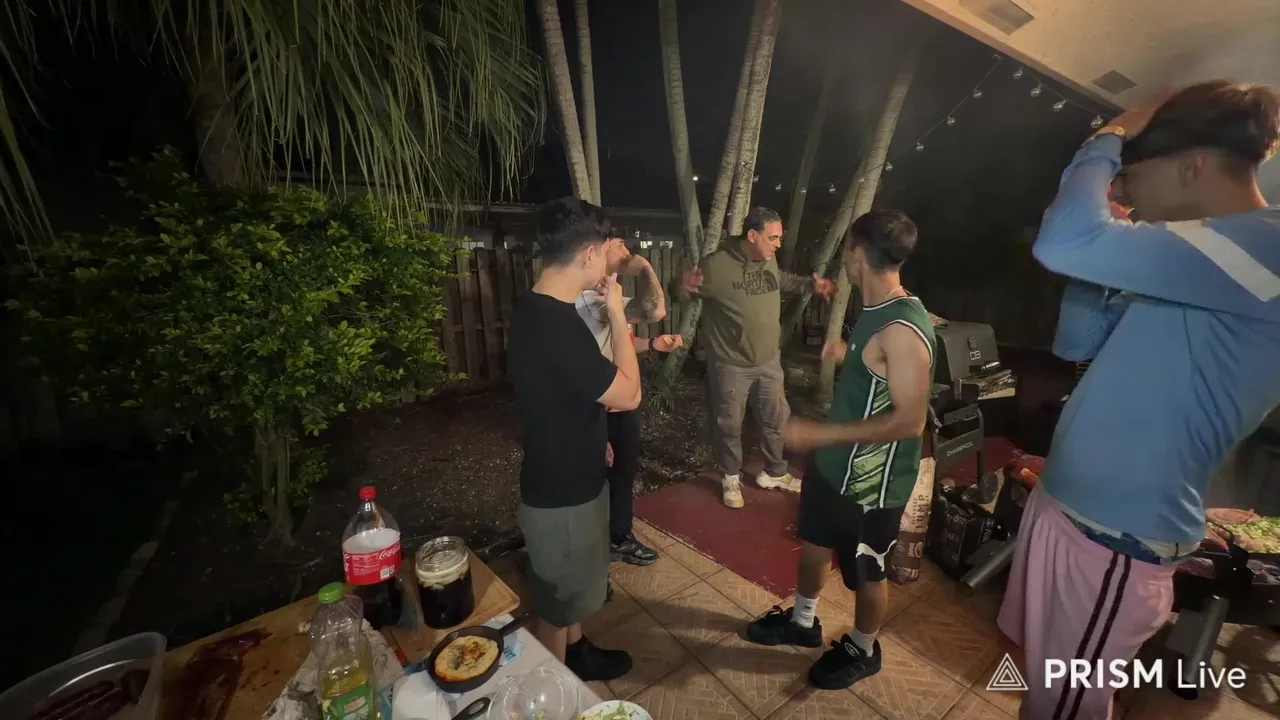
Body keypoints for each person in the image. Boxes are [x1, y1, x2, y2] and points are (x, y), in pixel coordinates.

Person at [1001, 81, 1280, 720]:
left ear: (1192, 166)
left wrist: (1106, 137)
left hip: (1115, 538)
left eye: (1132, 179)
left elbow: (1062, 241)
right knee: (1047, 695)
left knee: (1066, 707)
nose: (1126, 196)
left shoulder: (1263, 246)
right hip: (1073, 513)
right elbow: (1077, 343)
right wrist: (1099, 263)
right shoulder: (1198, 260)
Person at [744, 210, 935, 691]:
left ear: (858, 255)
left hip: (872, 484)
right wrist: (846, 353)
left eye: (847, 250)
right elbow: (879, 375)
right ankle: (803, 622)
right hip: (834, 468)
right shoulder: (874, 312)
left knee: (867, 570)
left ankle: (864, 648)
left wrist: (819, 435)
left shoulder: (904, 327)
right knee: (814, 541)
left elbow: (910, 421)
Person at [507, 197, 639, 680]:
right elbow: (629, 394)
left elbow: (562, 392)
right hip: (562, 497)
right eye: (606, 250)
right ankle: (553, 688)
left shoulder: (537, 309)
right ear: (588, 254)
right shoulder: (557, 327)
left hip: (569, 473)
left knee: (572, 595)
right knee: (556, 609)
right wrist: (618, 315)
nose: (609, 261)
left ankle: (577, 651)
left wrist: (593, 434)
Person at [677, 207, 837, 508]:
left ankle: (775, 472)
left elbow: (780, 279)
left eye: (779, 238)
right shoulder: (716, 265)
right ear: (752, 235)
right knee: (729, 424)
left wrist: (810, 285)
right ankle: (730, 477)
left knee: (776, 417)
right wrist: (681, 287)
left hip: (768, 360)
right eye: (773, 238)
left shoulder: (767, 259)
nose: (778, 244)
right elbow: (683, 295)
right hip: (730, 363)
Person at [575, 227, 683, 566]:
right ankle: (595, 552)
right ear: (599, 248)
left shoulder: (607, 294)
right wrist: (645, 267)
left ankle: (618, 537)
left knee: (622, 473)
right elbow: (656, 309)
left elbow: (620, 340)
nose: (627, 251)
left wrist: (652, 344)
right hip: (597, 402)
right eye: (620, 244)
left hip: (618, 400)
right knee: (597, 478)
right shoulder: (588, 298)